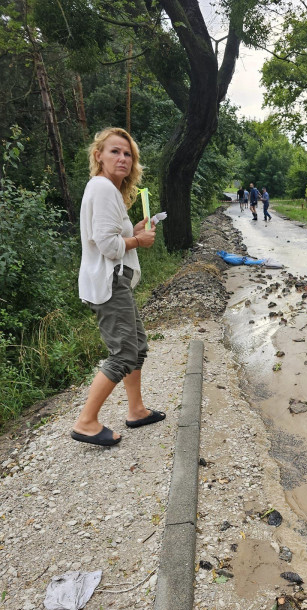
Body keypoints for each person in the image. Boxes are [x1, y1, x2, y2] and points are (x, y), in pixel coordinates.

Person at [71, 127, 165, 447]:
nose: (122, 158)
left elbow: (112, 236)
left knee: (136, 346)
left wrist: (135, 229)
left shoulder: (107, 190)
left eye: (127, 154)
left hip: (115, 280)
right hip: (110, 281)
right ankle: (86, 421)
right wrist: (139, 240)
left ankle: (136, 410)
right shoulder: (102, 188)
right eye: (114, 151)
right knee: (124, 351)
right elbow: (109, 245)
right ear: (98, 156)